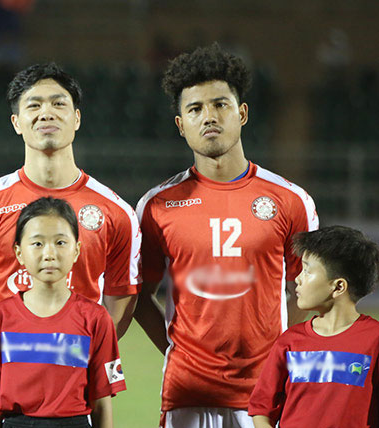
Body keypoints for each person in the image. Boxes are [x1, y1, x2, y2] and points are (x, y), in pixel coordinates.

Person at [134, 43, 319, 428]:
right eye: (195, 109)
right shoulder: (156, 205)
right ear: (181, 124)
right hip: (187, 395)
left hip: (267, 396)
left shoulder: (290, 201)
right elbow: (137, 295)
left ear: (242, 113)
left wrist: (288, 357)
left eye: (220, 104)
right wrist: (174, 350)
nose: (209, 117)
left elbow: (307, 289)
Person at [0, 63, 140, 427]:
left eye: (58, 103)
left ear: (77, 118)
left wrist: (77, 359)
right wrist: (4, 359)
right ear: (17, 122)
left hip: (74, 395)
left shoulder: (116, 212)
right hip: (3, 395)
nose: (46, 113)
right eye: (33, 105)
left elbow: (121, 298)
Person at [0, 197, 125, 428]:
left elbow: (102, 403)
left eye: (60, 242)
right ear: (19, 253)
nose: (49, 254)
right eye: (37, 244)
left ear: (77, 250)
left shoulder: (96, 319)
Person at [249, 226, 379, 428]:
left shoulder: (374, 339)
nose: (298, 279)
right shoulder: (289, 341)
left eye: (307, 271)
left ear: (338, 287)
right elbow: (262, 410)